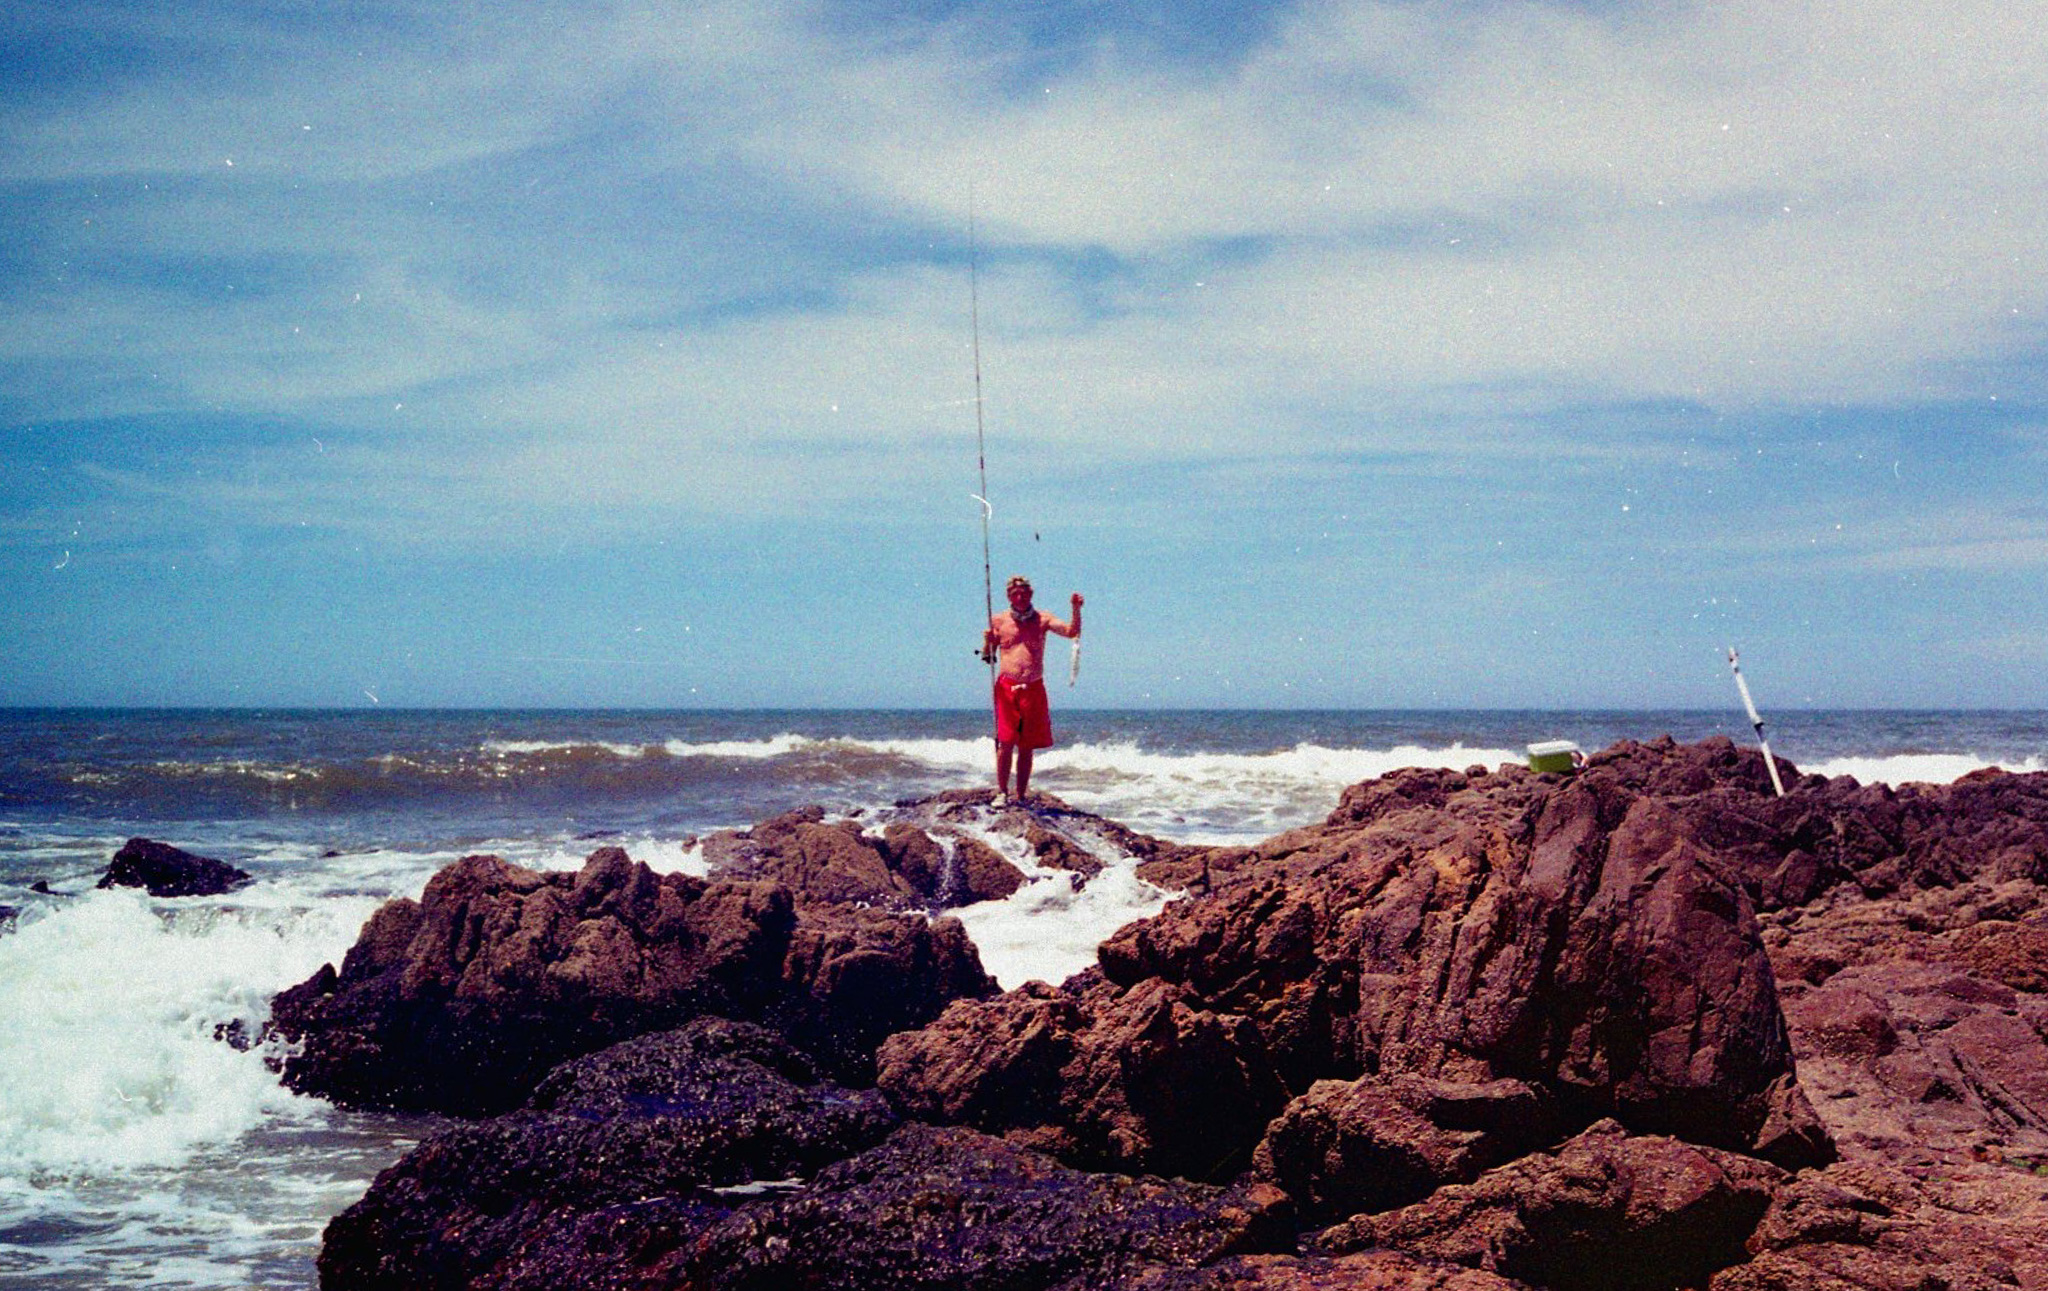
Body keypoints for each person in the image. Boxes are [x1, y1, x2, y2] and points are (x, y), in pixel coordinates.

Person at [981, 575, 1082, 807]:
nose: (1020, 596)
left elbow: (1071, 631)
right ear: (1009, 596)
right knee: (1005, 743)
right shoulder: (999, 620)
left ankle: (1022, 794)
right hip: (1006, 687)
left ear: (1031, 593)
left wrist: (1075, 608)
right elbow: (988, 658)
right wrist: (987, 642)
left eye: (1024, 592)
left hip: (1033, 687)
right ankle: (1002, 792)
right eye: (1015, 593)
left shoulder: (1043, 619)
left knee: (1026, 746)